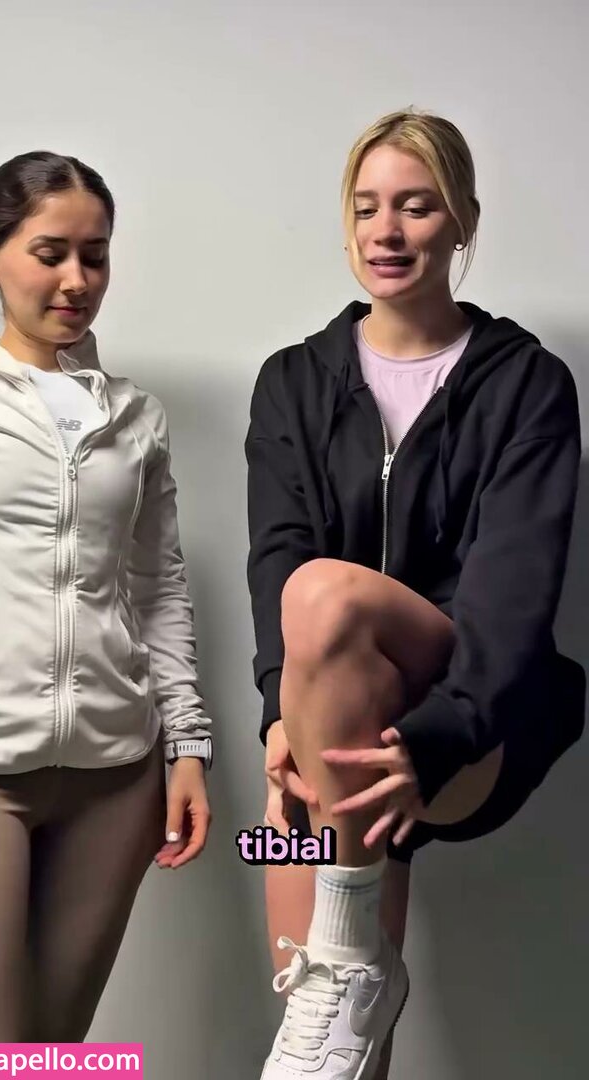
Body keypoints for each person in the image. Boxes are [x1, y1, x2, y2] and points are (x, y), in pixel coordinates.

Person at [245, 109, 585, 1079]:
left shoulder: (526, 384)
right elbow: (272, 551)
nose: (386, 231)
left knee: (322, 594)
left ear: (462, 219)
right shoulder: (292, 382)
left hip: (468, 719)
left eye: (416, 206)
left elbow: (513, 588)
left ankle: (351, 952)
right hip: (329, 724)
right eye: (366, 208)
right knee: (322, 1017)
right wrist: (281, 714)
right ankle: (353, 974)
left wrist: (437, 733)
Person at [0, 151, 213, 1042]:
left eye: (96, 255)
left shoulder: (135, 416)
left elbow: (159, 589)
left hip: (116, 775)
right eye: (51, 254)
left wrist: (187, 746)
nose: (77, 280)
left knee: (55, 1048)